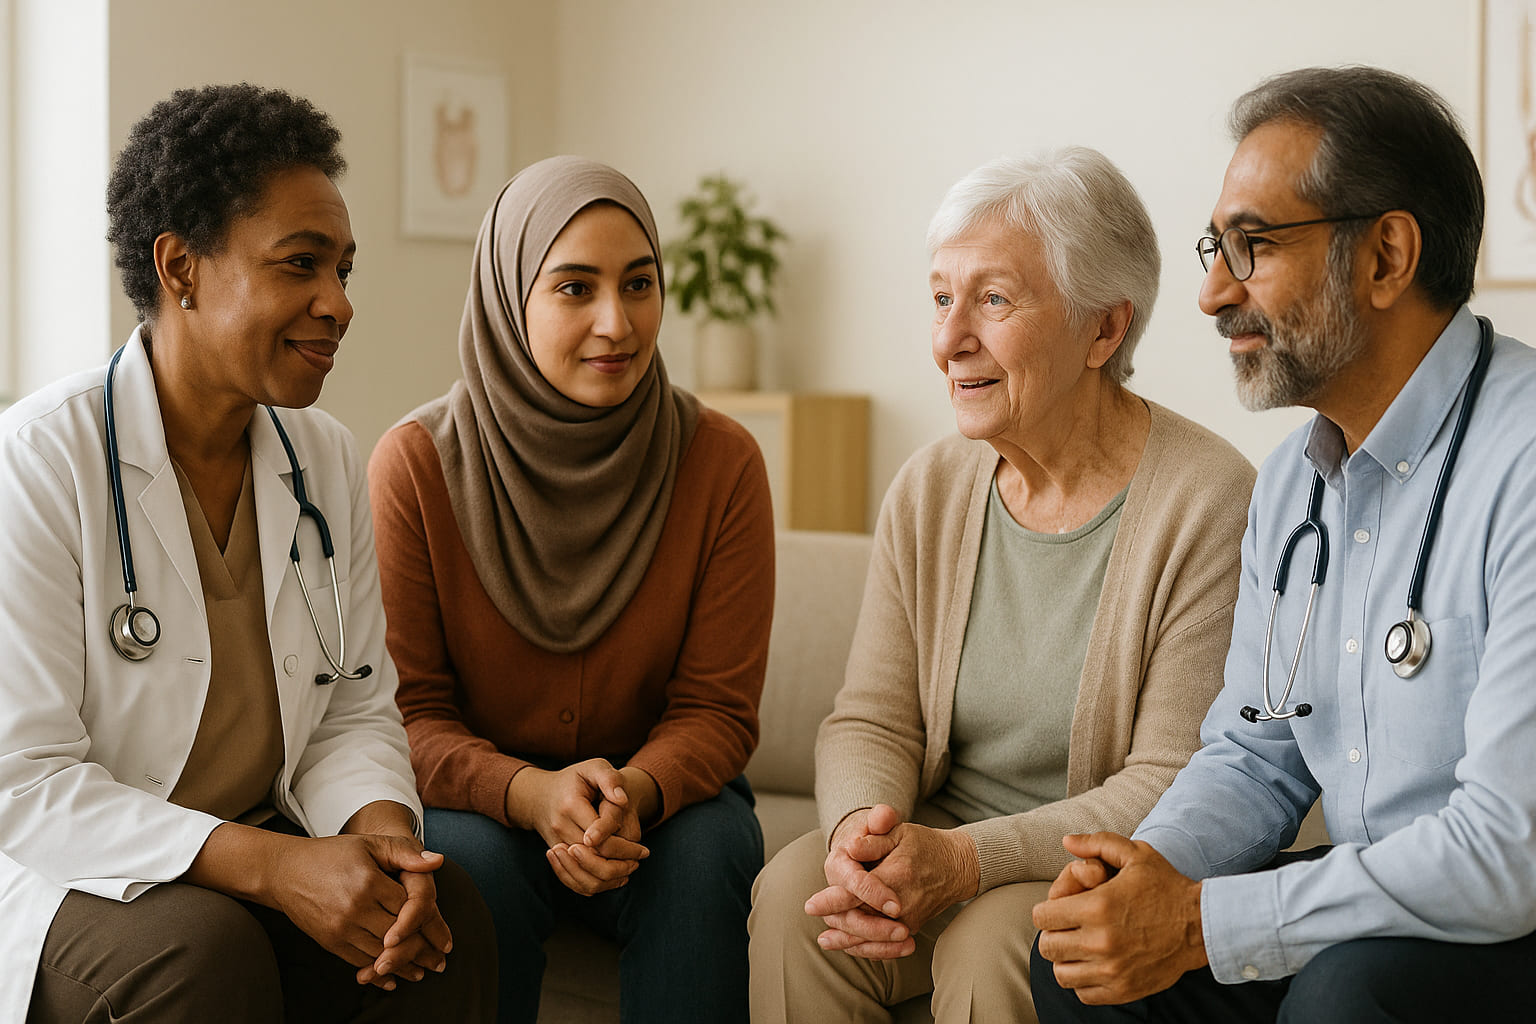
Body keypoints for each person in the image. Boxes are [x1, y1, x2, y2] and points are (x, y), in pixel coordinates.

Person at [1031, 66, 1536, 1024]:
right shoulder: (1293, 486)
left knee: (1348, 993)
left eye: (1252, 246)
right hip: (1376, 902)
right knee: (1078, 968)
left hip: (1512, 912)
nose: (1213, 293)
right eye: (1214, 248)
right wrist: (1147, 876)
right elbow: (1256, 756)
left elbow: (1507, 851)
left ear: (1386, 255)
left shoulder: (1525, 460)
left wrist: (1197, 922)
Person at [0, 84, 496, 1023]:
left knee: (444, 920)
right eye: (300, 265)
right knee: (200, 952)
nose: (339, 304)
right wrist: (274, 867)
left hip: (252, 846)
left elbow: (351, 711)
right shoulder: (38, 462)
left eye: (345, 269)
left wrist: (388, 849)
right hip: (64, 874)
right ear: (180, 266)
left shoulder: (326, 459)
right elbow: (23, 784)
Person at [747, 148, 1256, 1024]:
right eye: (943, 299)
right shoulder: (930, 487)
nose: (949, 342)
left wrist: (965, 861)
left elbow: (1170, 780)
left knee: (995, 943)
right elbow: (872, 715)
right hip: (936, 834)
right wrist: (859, 841)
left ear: (1105, 331)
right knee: (800, 893)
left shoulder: (1208, 499)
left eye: (993, 299)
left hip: (1087, 860)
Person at [368, 155, 774, 1024]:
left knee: (710, 852)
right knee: (461, 857)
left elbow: (717, 710)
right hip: (484, 804)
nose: (616, 323)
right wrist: (528, 793)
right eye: (574, 288)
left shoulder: (722, 462)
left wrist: (626, 798)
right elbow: (407, 715)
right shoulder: (415, 467)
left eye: (638, 284)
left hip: (662, 805)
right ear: (510, 297)